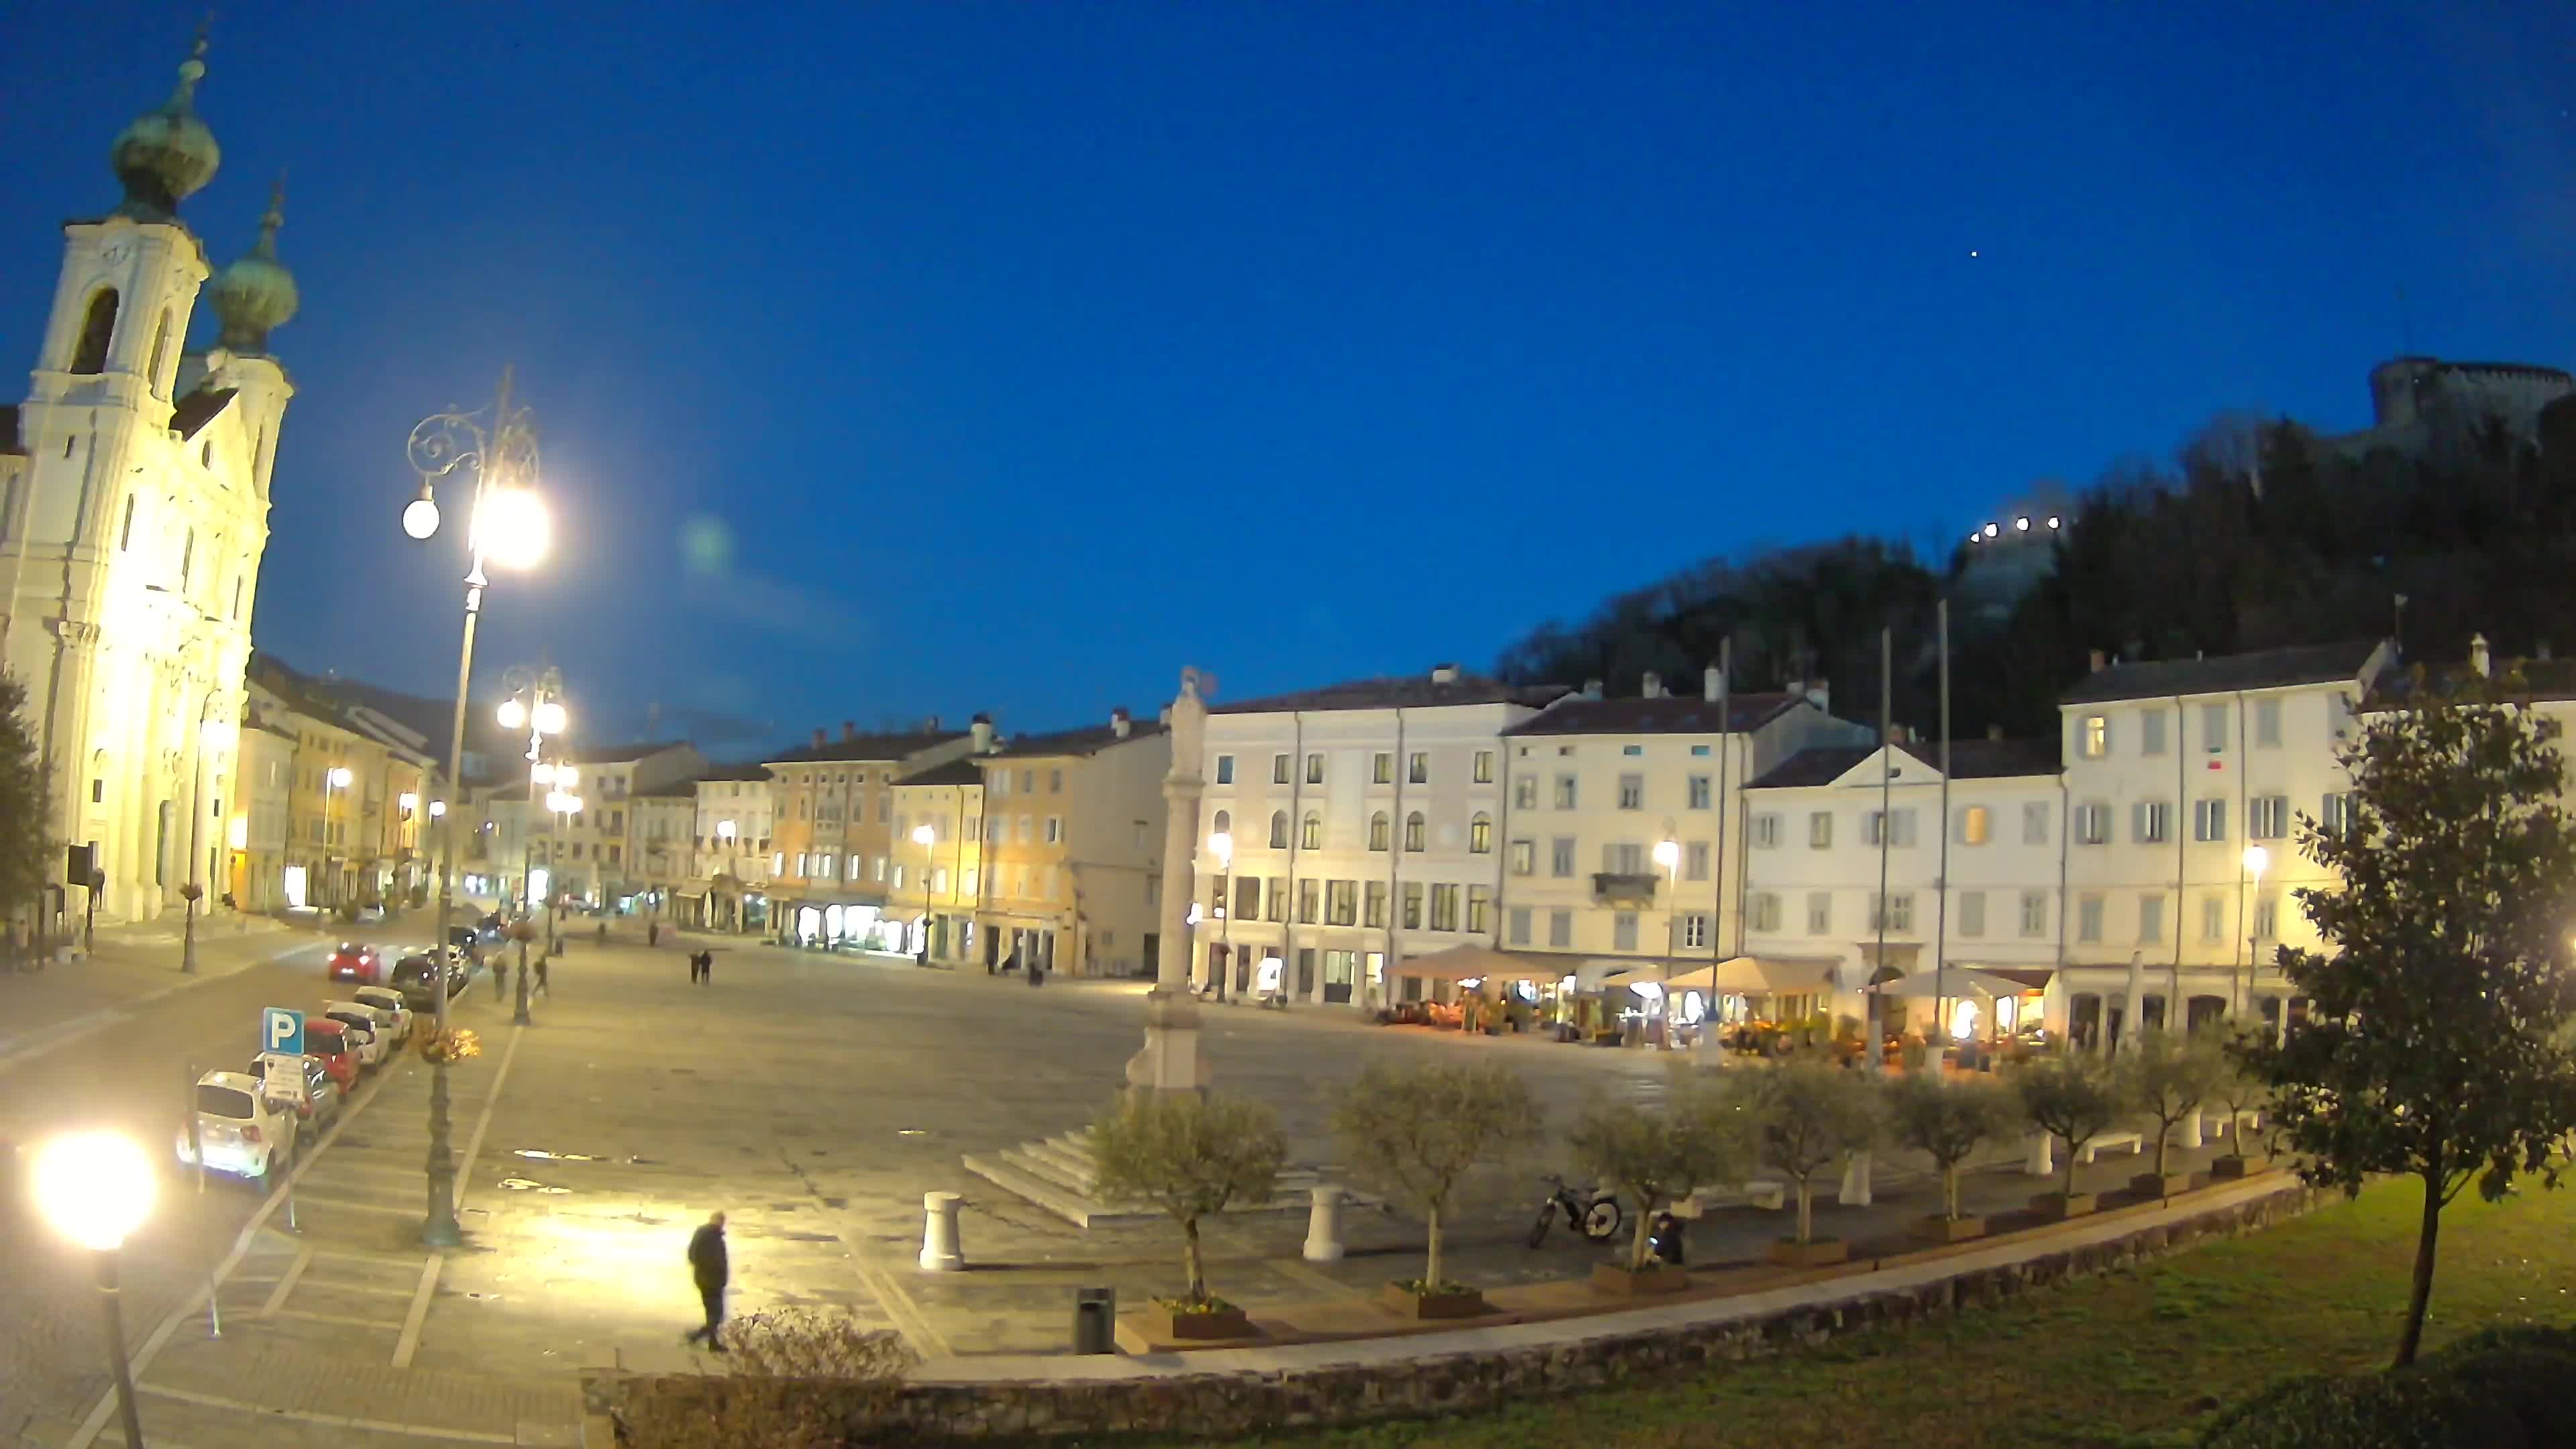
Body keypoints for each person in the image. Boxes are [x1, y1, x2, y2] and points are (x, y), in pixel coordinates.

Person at [682, 1210, 729, 1352]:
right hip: (709, 1281)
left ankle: (707, 1340)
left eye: (722, 1221)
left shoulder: (714, 1236)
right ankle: (698, 1337)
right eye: (719, 1220)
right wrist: (708, 1270)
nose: (721, 1224)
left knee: (714, 1314)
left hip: (713, 1280)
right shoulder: (707, 1235)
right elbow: (693, 1255)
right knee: (716, 1314)